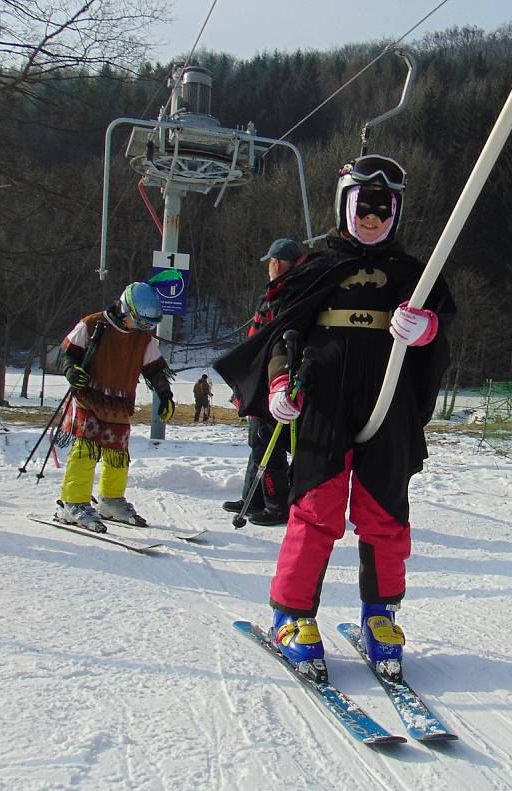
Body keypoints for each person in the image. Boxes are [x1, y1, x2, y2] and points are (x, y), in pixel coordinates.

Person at [215, 155, 455, 682]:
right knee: (316, 509)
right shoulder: (315, 267)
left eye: (382, 207)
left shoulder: (415, 274)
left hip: (387, 405)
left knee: (386, 516)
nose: (371, 217)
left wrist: (426, 330)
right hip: (325, 402)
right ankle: (292, 615)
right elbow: (282, 332)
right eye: (362, 205)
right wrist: (280, 382)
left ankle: (381, 615)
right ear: (344, 205)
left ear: (396, 211)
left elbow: (440, 331)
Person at [55, 282, 175, 532]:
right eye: (141, 322)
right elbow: (68, 353)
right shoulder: (92, 324)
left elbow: (154, 370)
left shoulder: (142, 339)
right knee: (85, 451)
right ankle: (73, 502)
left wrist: (165, 395)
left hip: (119, 404)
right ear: (125, 310)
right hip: (89, 397)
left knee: (118, 455)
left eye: (148, 325)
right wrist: (70, 370)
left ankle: (110, 500)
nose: (144, 329)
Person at [222, 238, 305, 526]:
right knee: (257, 442)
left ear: (276, 263)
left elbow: (275, 343)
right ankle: (251, 498)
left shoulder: (288, 295)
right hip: (259, 379)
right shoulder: (278, 293)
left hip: (269, 381)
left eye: (271, 261)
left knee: (266, 444)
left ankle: (276, 505)